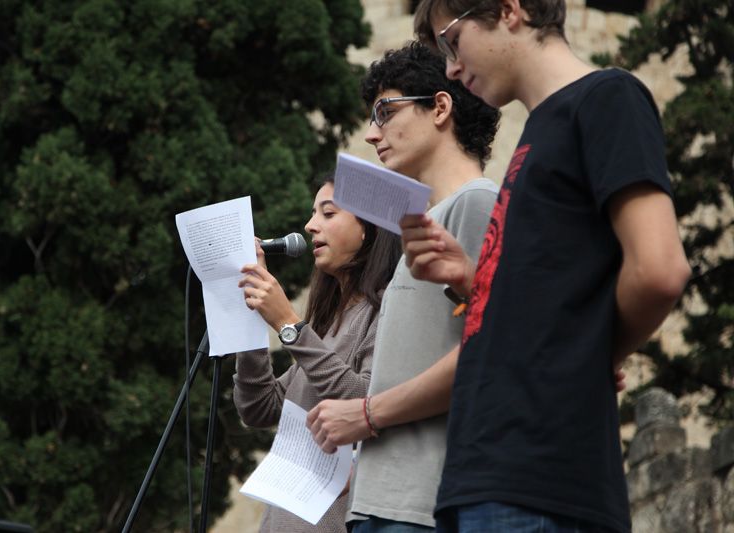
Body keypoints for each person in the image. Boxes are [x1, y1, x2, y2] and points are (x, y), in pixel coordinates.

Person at [308, 1, 691, 532]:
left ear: (509, 10)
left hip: (533, 478)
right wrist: (472, 278)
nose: (451, 67)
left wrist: (584, 352)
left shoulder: (605, 97)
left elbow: (659, 270)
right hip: (483, 482)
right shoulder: (535, 142)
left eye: (454, 39)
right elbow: (540, 302)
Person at [307, 42, 501, 532]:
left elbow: (491, 351)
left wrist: (367, 415)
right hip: (384, 500)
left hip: (423, 503)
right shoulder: (424, 223)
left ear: (440, 107)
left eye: (385, 111)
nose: (372, 134)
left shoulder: (477, 202)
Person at [233, 175, 402, 533]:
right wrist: (249, 321)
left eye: (328, 213)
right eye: (313, 214)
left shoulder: (388, 307)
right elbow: (259, 408)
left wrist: (289, 325)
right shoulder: (327, 324)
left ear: (368, 230)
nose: (310, 225)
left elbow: (365, 401)